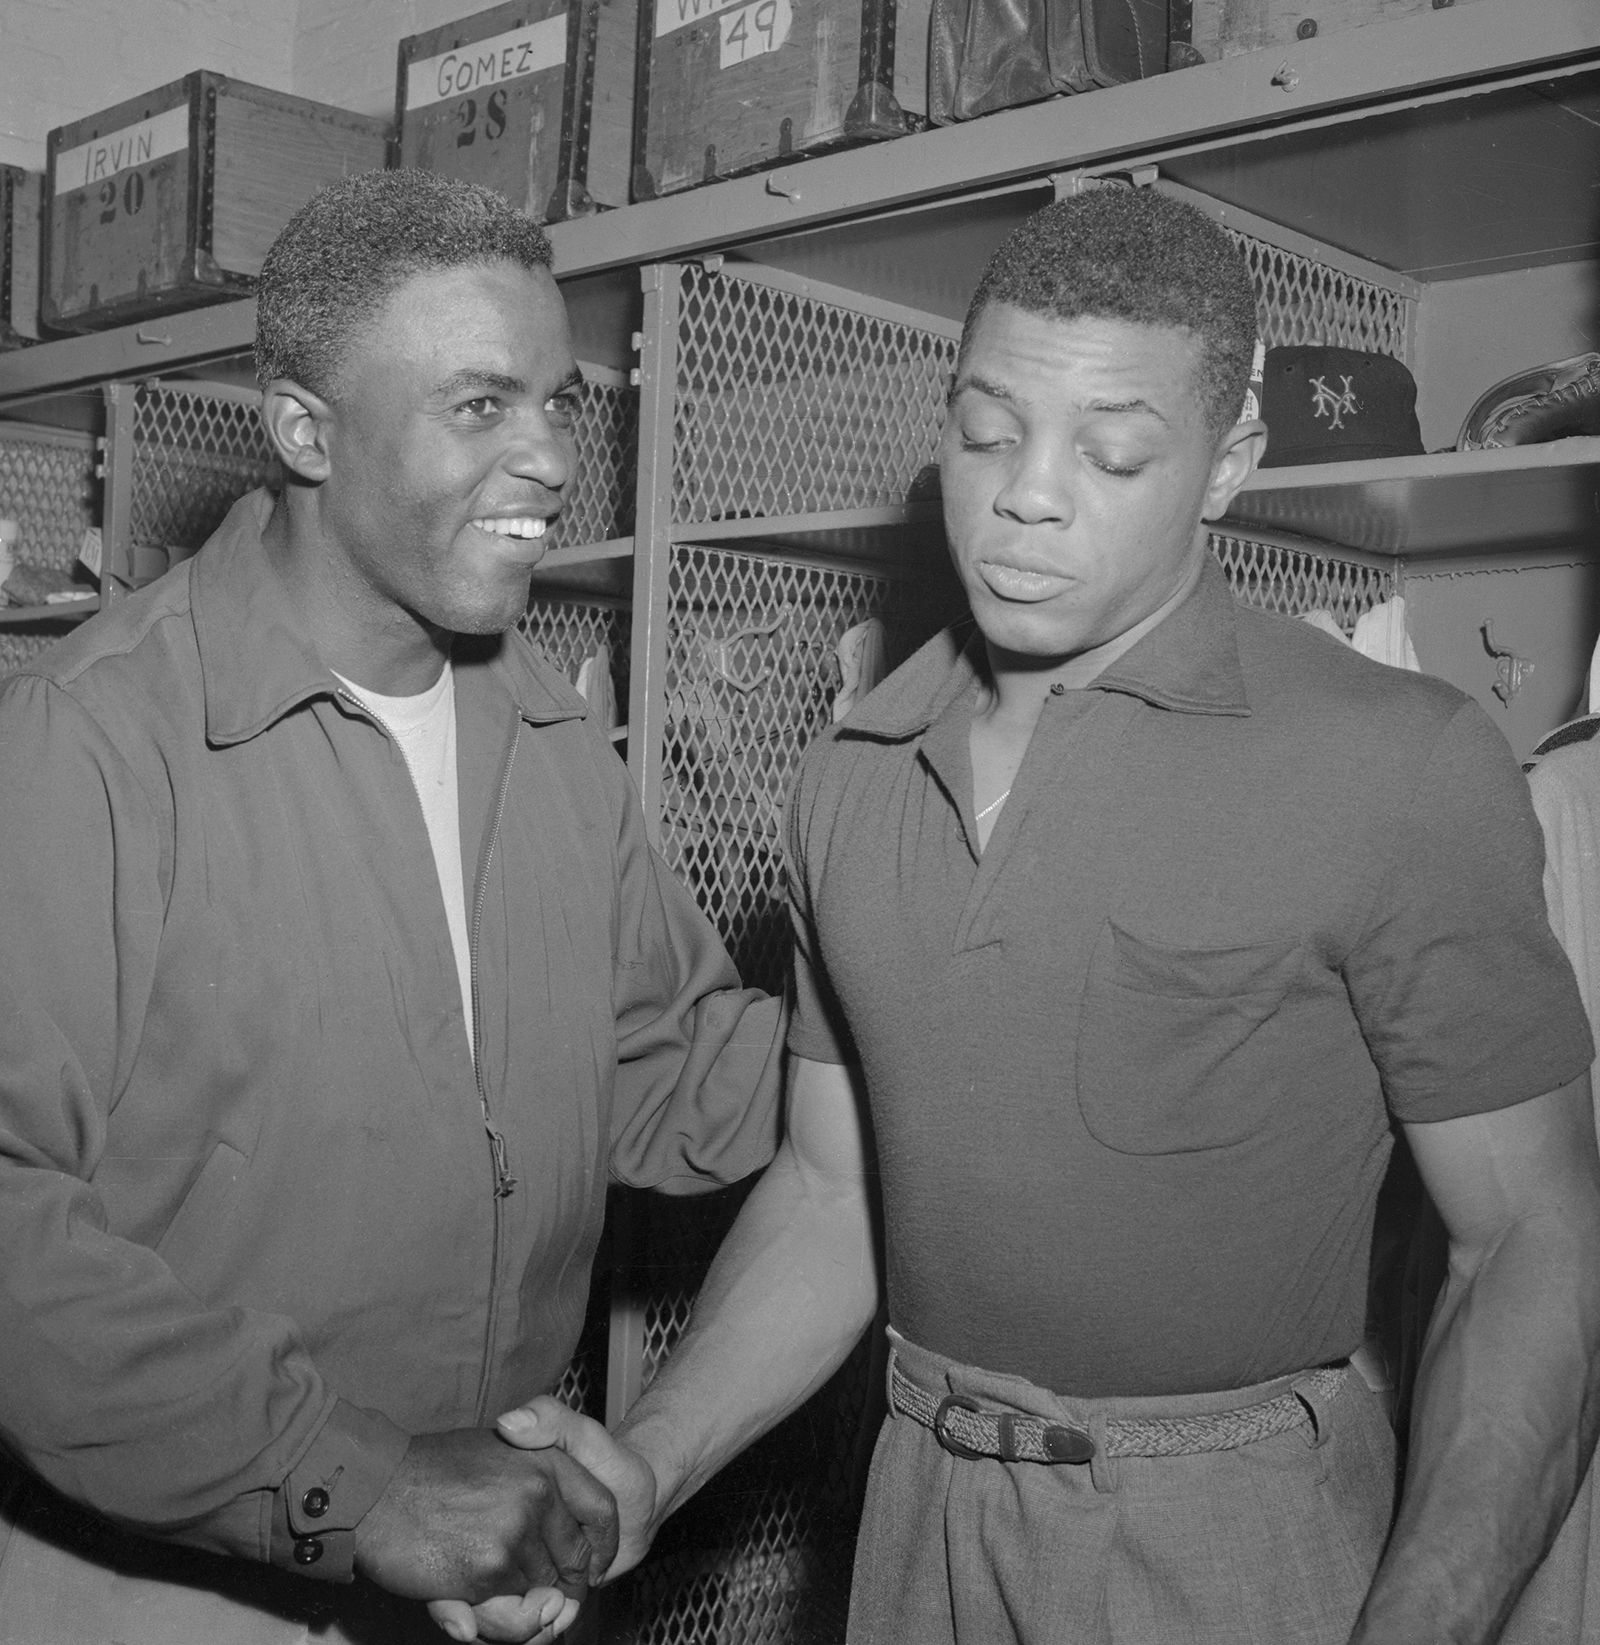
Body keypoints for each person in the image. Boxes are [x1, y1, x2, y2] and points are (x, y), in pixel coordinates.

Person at [497, 186, 1600, 1645]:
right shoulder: (853, 772)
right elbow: (834, 1198)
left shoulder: (1395, 760)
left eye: (1116, 450)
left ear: (1227, 465)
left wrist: (1430, 1618)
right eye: (985, 429)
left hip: (1229, 1530)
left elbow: (1533, 1235)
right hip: (918, 1519)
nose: (1028, 491)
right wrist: (653, 1455)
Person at [0, 167, 783, 1645]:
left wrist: (898, 1013)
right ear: (306, 430)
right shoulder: (90, 740)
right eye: (483, 407)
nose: (553, 459)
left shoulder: (551, 739)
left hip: (489, 1565)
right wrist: (356, 1486)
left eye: (562, 402)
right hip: (160, 1585)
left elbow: (662, 1071)